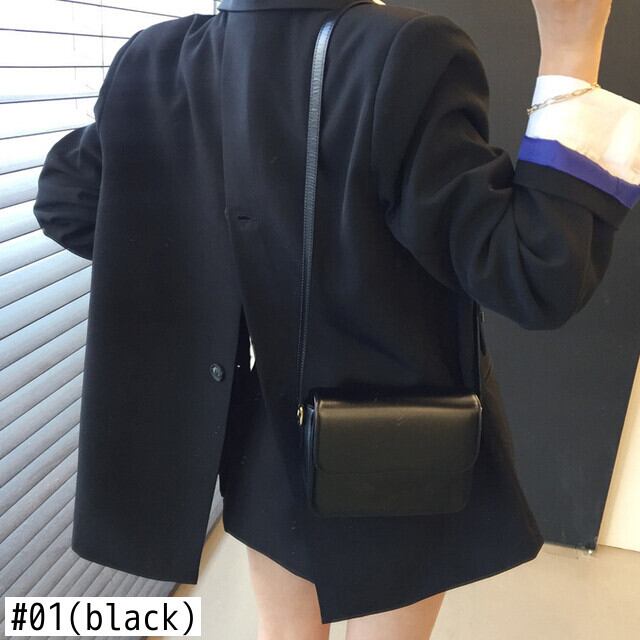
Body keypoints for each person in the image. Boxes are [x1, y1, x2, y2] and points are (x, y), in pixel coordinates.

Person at [32, 0, 638, 638]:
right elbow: (534, 272)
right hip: (399, 438)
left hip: (265, 435)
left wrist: (219, 277)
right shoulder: (405, 51)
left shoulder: (154, 60)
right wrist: (572, 51)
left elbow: (70, 201)